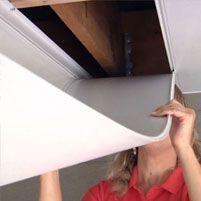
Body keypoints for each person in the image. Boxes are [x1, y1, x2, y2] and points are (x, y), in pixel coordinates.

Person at [38, 86, 201, 201]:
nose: (156, 117)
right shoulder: (104, 194)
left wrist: (184, 147)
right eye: (147, 110)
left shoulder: (191, 187)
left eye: (167, 111)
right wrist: (48, 164)